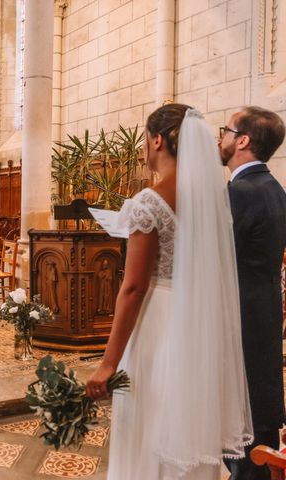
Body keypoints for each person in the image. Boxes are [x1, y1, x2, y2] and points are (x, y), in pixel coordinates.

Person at [86, 103, 253, 479]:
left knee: (150, 418)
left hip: (158, 323)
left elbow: (133, 287)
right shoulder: (214, 200)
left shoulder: (150, 201)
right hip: (200, 318)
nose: (144, 148)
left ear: (157, 140)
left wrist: (108, 363)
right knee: (190, 414)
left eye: (145, 140)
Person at [219, 106, 286, 480]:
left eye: (226, 130)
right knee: (259, 418)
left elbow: (217, 260)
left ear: (242, 140)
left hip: (240, 321)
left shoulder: (241, 192)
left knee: (243, 429)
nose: (221, 138)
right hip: (263, 315)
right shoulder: (275, 188)